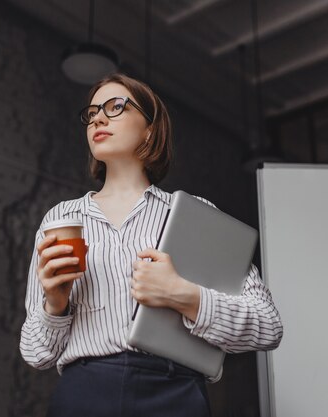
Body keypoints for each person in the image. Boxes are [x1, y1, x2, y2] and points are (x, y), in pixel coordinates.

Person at [20, 73, 283, 417]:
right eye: (92, 112)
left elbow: (268, 326)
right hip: (83, 395)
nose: (98, 118)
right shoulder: (62, 219)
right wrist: (55, 305)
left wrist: (183, 295)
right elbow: (36, 353)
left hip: (175, 396)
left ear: (150, 129)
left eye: (115, 107)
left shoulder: (195, 216)